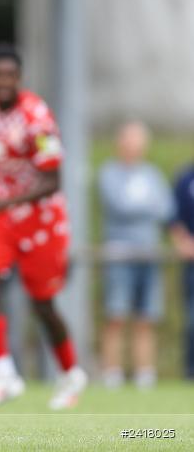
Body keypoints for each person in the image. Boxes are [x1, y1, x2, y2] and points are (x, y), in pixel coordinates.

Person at [0, 44, 86, 410]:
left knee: (43, 305)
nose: (3, 82)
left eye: (10, 76)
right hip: (2, 218)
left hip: (42, 219)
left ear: (19, 79)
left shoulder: (37, 117)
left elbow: (52, 181)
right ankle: (4, 375)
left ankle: (70, 374)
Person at [98, 121, 174, 389]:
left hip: (148, 252)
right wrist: (146, 206)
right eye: (129, 141)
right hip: (119, 252)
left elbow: (165, 209)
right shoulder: (109, 173)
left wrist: (142, 206)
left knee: (146, 317)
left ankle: (145, 373)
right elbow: (119, 206)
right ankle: (112, 373)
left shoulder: (152, 174)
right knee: (116, 314)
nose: (134, 147)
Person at [170, 160, 194, 380]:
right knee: (191, 320)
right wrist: (184, 242)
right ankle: (191, 373)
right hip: (191, 262)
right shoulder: (186, 178)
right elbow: (173, 216)